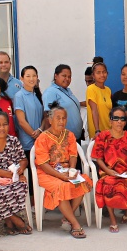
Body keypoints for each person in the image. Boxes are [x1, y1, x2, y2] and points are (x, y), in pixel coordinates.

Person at [33, 102, 93, 239]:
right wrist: (61, 176)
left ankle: (67, 217)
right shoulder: (42, 138)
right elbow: (43, 165)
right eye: (58, 118)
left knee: (84, 181)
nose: (61, 121)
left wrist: (71, 171)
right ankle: (75, 223)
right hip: (48, 173)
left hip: (66, 171)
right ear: (50, 120)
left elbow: (73, 155)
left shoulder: (70, 135)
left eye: (64, 118)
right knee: (61, 186)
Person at [91, 107, 127, 233]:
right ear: (110, 121)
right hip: (108, 171)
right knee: (109, 185)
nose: (119, 121)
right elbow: (98, 159)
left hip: (126, 171)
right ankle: (113, 219)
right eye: (116, 118)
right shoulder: (103, 136)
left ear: (125, 122)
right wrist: (108, 171)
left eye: (122, 119)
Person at [14, 65, 45, 198]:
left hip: (39, 140)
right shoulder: (19, 96)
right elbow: (21, 121)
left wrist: (40, 130)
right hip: (27, 142)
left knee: (40, 172)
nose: (31, 79)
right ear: (21, 78)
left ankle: (40, 201)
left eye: (34, 75)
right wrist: (33, 134)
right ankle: (32, 203)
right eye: (28, 76)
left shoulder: (37, 94)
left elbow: (44, 116)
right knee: (30, 174)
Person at [42, 64, 84, 142]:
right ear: (56, 76)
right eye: (64, 76)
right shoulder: (51, 92)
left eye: (69, 76)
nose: (67, 79)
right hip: (61, 140)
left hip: (74, 138)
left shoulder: (67, 91)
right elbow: (48, 116)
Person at [86, 57, 113, 138]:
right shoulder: (91, 89)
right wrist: (97, 130)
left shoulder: (108, 90)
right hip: (98, 132)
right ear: (93, 75)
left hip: (109, 130)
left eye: (104, 72)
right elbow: (94, 111)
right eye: (98, 72)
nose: (102, 75)